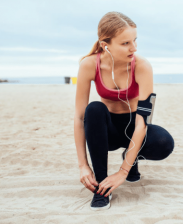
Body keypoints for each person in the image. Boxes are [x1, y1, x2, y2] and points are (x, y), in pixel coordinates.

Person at [74, 11, 175, 211]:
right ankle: (101, 188)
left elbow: (142, 122)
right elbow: (79, 118)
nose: (134, 48)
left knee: (165, 143)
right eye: (125, 43)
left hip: (135, 125)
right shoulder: (89, 65)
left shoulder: (142, 66)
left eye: (135, 40)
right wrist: (83, 166)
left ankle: (132, 158)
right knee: (94, 109)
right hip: (106, 130)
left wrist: (122, 171)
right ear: (105, 45)